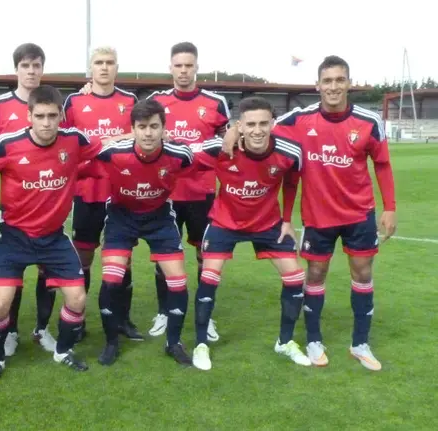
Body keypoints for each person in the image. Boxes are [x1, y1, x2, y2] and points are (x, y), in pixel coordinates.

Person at [222, 56, 397, 370]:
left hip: (359, 213)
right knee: (315, 274)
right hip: (317, 216)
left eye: (339, 80)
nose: (333, 87)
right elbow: (261, 125)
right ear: (317, 85)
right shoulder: (298, 120)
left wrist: (390, 208)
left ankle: (360, 343)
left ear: (349, 83)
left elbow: (382, 165)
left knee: (363, 274)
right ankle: (314, 340)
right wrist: (233, 131)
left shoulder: (369, 121)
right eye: (327, 81)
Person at [0, 85, 104, 382]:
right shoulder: (9, 143)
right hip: (14, 237)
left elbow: (104, 147)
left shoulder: (74, 140)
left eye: (52, 116)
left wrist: (137, 137)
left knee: (77, 299)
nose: (46, 123)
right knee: (0, 304)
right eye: (40, 116)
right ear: (29, 116)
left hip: (54, 237)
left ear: (61, 116)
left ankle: (63, 350)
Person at [189, 97, 311, 370]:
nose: (258, 130)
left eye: (263, 123)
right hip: (225, 221)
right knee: (209, 277)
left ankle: (285, 342)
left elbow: (292, 182)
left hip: (267, 223)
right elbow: (182, 154)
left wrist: (287, 220)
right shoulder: (221, 147)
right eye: (251, 124)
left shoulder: (289, 152)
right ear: (240, 126)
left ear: (273, 124)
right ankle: (200, 344)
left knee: (295, 277)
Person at [78, 99, 195, 366]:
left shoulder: (180, 154)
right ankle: (111, 343)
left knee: (177, 281)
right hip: (122, 217)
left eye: (154, 126)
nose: (148, 133)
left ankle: (173, 343)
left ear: (164, 128)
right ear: (132, 129)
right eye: (142, 127)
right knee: (111, 279)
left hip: (160, 218)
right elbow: (79, 161)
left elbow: (195, 165)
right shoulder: (113, 153)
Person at [146, 42, 229, 341]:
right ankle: (164, 312)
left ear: (196, 67)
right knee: (164, 255)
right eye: (178, 65)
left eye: (188, 65)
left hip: (201, 194)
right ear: (170, 67)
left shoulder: (216, 103)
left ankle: (205, 316)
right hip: (164, 193)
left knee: (205, 255)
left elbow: (227, 145)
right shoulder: (156, 101)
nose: (183, 71)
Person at [0, 42, 53, 357]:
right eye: (25, 66)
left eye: (36, 65)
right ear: (16, 69)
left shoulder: (53, 102)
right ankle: (10, 332)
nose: (31, 71)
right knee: (15, 271)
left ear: (42, 69)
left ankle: (43, 329)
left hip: (50, 204)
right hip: (15, 207)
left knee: (49, 270)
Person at [60, 46, 142, 343]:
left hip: (121, 190)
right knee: (84, 255)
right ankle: (78, 319)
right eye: (98, 63)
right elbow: (63, 140)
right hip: (86, 190)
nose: (104, 67)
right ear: (90, 68)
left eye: (109, 62)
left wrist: (114, 139)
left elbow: (141, 134)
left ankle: (122, 320)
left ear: (116, 67)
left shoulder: (130, 101)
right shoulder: (74, 101)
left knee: (124, 258)